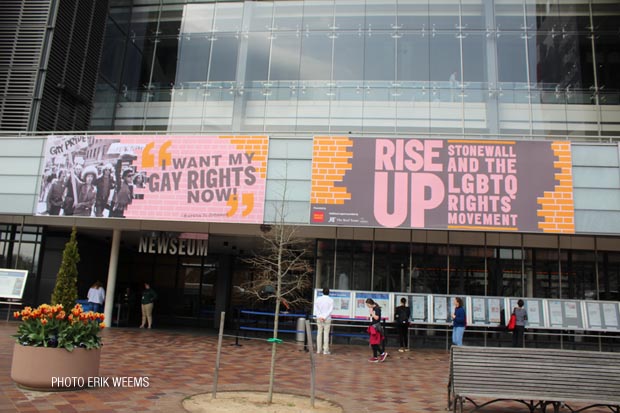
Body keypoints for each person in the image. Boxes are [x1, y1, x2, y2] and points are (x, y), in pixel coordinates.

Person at [365, 298, 387, 362]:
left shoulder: (377, 309)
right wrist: (369, 316)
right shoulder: (374, 309)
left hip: (375, 327)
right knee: (373, 343)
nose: (368, 307)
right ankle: (375, 357)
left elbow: (377, 318)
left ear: (370, 304)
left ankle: (382, 353)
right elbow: (373, 317)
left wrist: (372, 313)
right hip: (372, 326)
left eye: (368, 305)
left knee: (373, 342)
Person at [313, 288, 334, 355]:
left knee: (319, 333)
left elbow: (316, 309)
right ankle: (325, 350)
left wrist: (320, 316)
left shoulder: (318, 299)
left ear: (322, 292)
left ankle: (318, 350)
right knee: (326, 334)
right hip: (327, 319)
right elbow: (330, 310)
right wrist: (324, 317)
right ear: (329, 292)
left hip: (319, 318)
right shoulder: (331, 300)